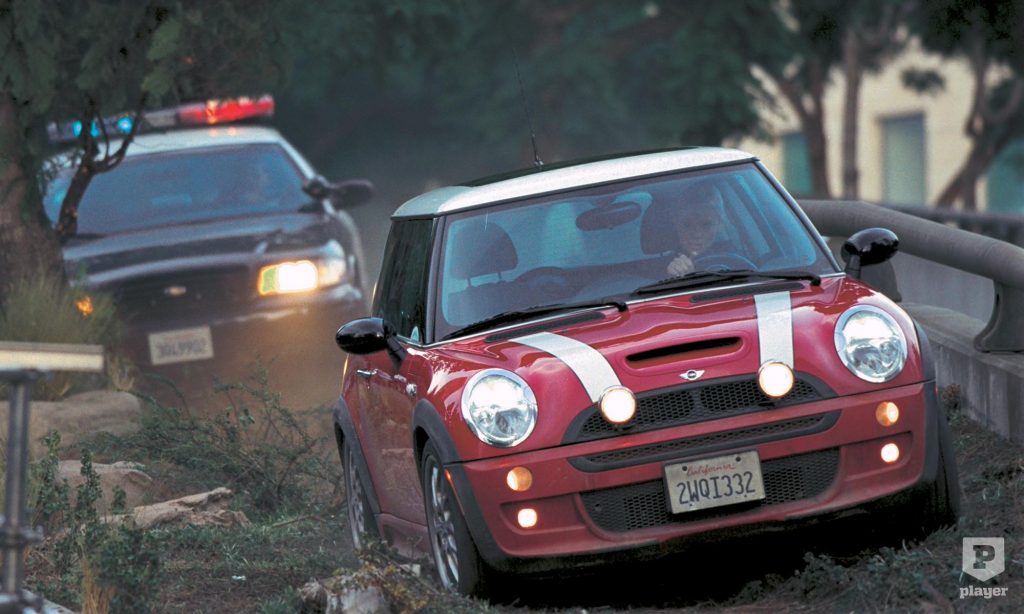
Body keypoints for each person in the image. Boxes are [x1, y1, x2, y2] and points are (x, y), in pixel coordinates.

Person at [666, 181, 726, 277]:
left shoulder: (736, 262)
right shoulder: (658, 271)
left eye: (706, 225)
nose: (697, 234)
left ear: (720, 224)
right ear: (675, 223)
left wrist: (691, 277)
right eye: (687, 225)